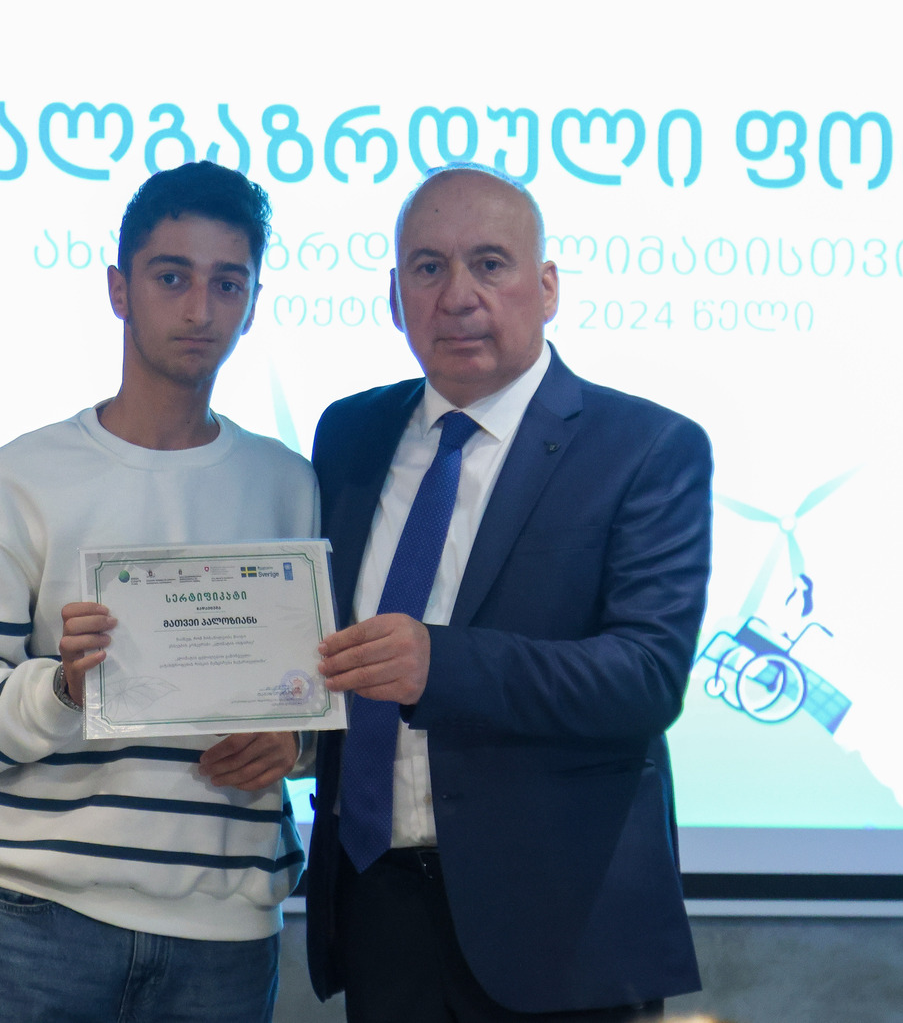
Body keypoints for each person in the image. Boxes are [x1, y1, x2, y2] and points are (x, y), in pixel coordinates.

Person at [305, 163, 713, 1021]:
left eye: (489, 263)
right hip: (380, 914)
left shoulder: (646, 447)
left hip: (560, 927)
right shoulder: (349, 433)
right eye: (428, 267)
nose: (458, 295)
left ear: (548, 286)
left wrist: (440, 664)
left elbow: (646, 677)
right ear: (394, 298)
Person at [0, 160, 316, 1023]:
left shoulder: (289, 483)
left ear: (253, 302)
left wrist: (297, 741)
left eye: (228, 283)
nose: (200, 308)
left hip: (226, 927)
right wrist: (63, 686)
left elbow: (326, 702)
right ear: (118, 289)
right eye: (172, 277)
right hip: (44, 916)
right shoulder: (22, 477)